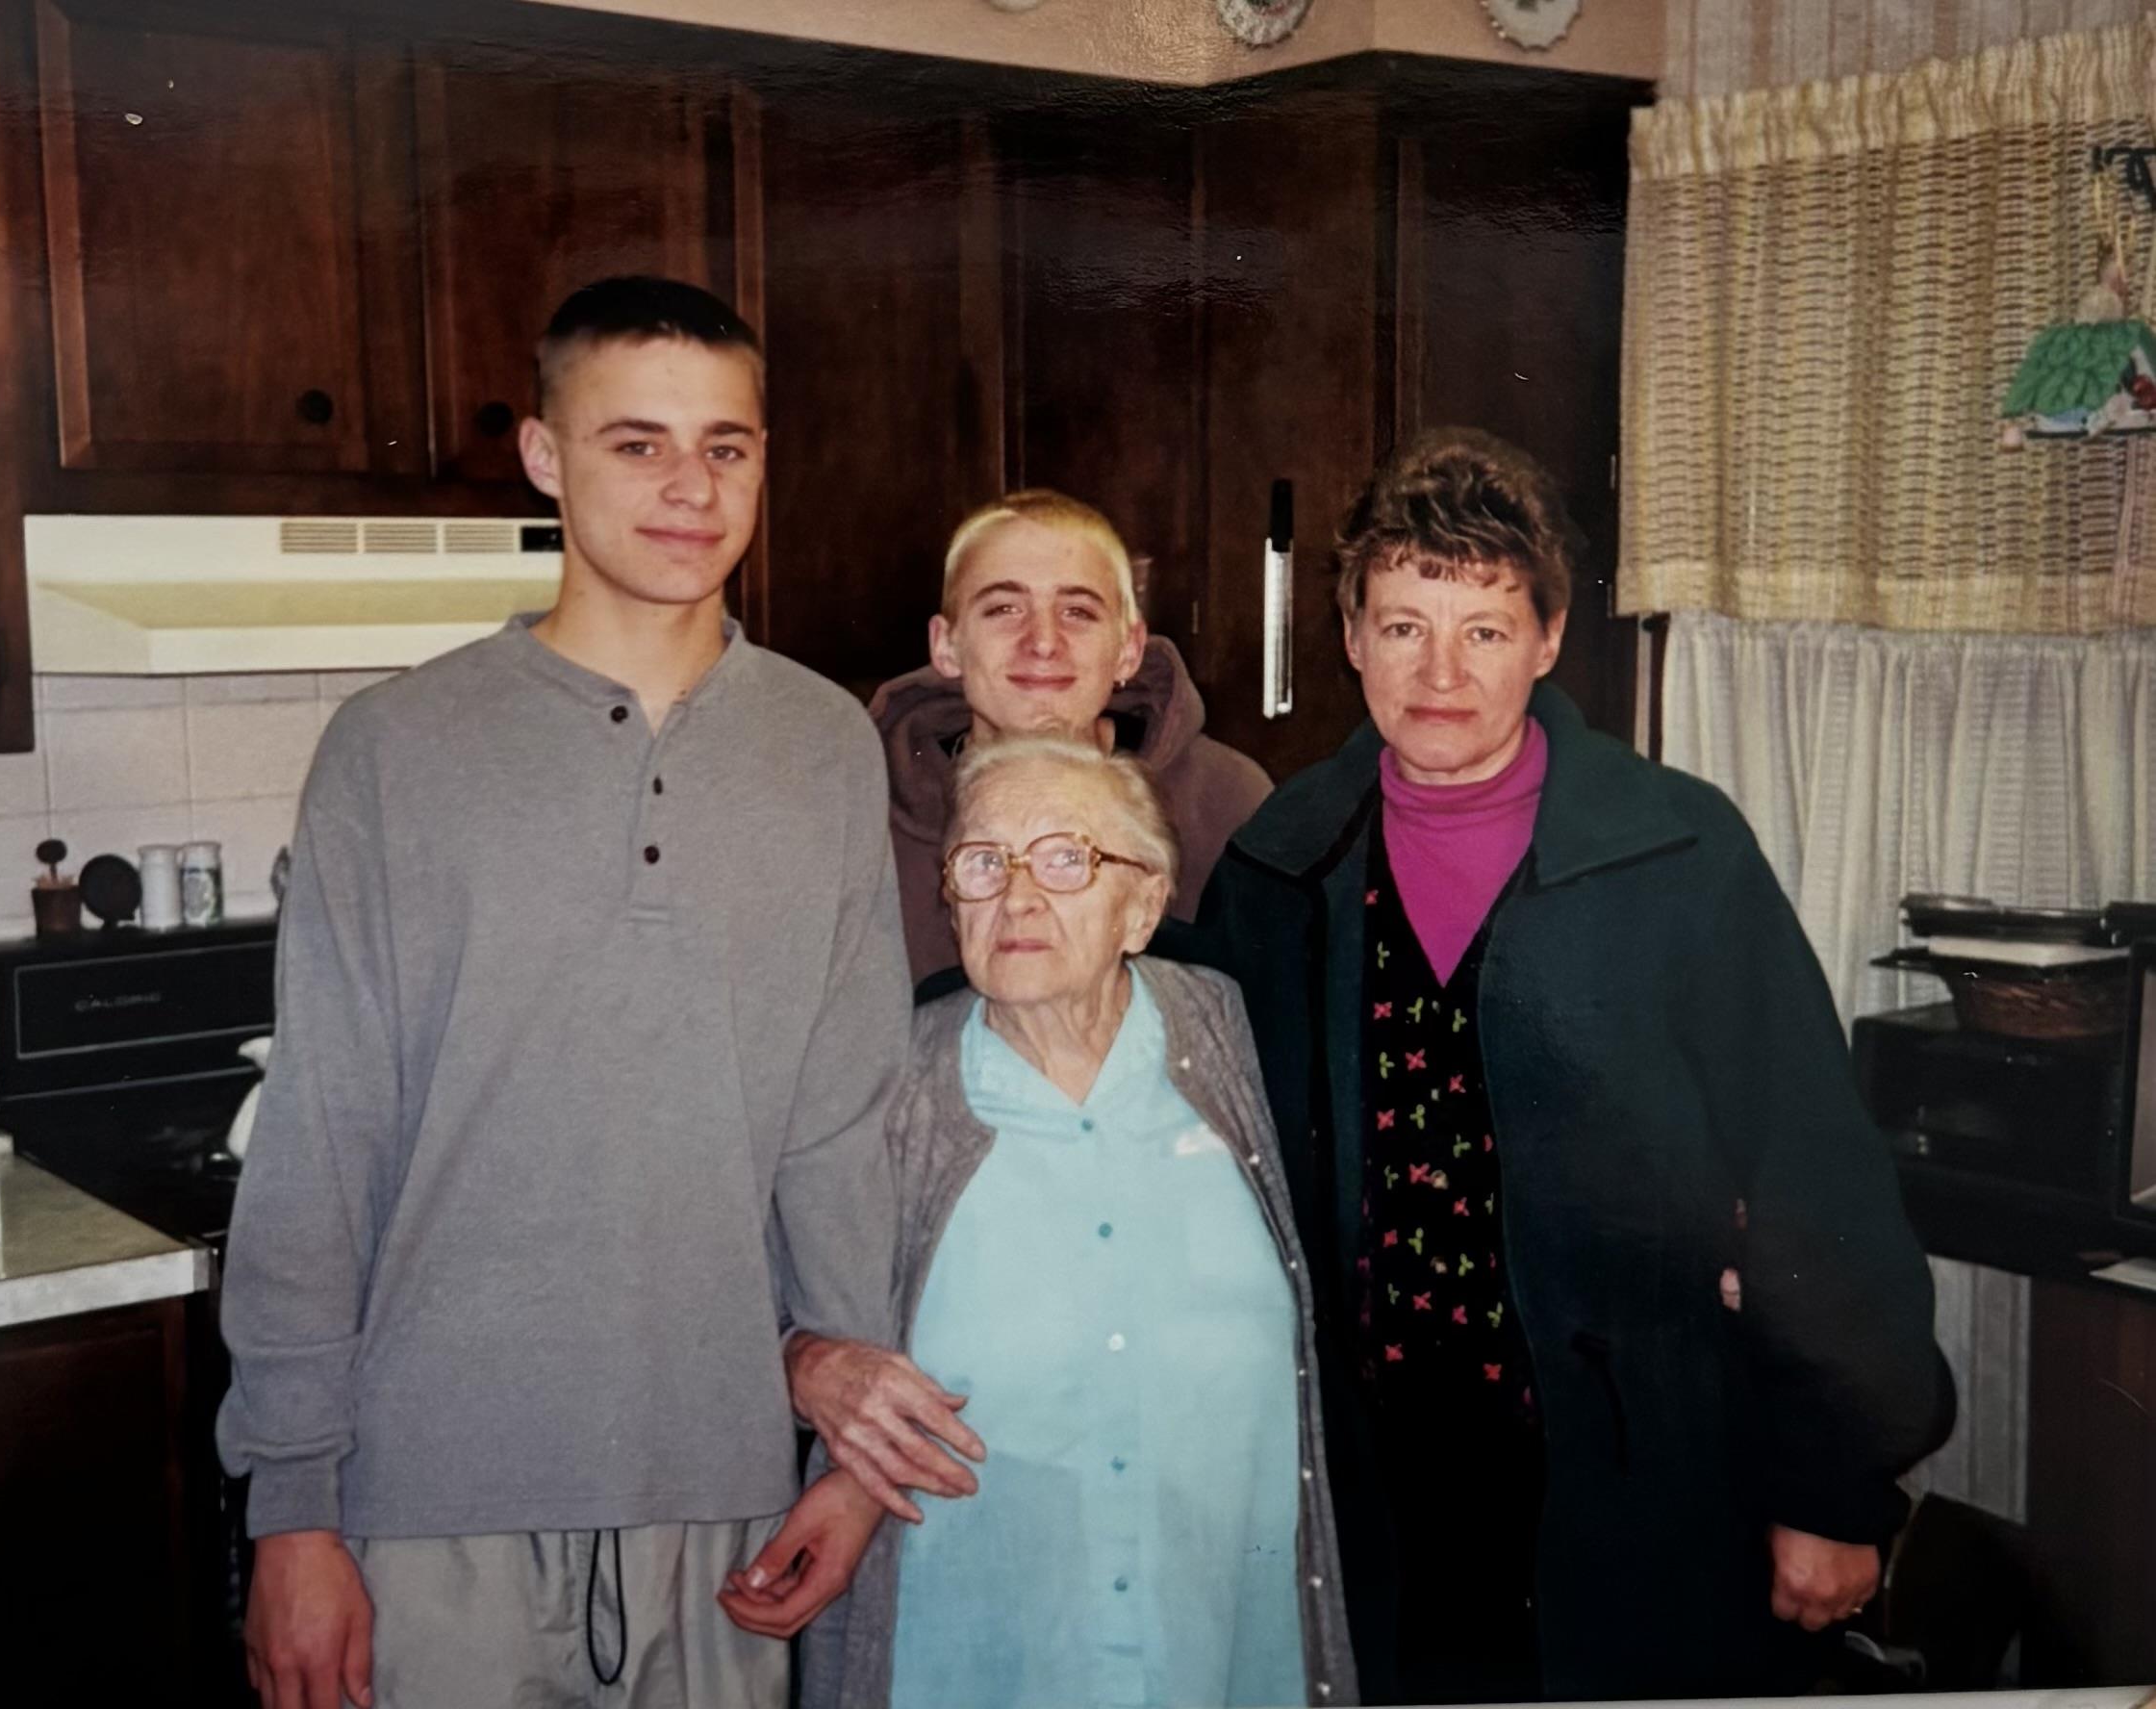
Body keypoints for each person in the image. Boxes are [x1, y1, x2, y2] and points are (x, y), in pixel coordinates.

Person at [217, 276, 967, 1709]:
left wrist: (848, 1468)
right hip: (428, 1501)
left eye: (728, 447)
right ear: (547, 458)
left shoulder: (822, 744)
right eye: (637, 443)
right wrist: (291, 1510)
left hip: (728, 1493)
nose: (690, 488)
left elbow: (838, 1131)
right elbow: (322, 1147)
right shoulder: (395, 750)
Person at [1194, 427, 1955, 1703]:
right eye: (1402, 627)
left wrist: (1835, 1482)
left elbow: (1815, 1174)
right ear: (1347, 635)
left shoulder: (1679, 854)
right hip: (1374, 1490)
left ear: (1548, 641)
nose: (1441, 671)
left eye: (1484, 630)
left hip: (1634, 1474)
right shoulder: (1281, 866)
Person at [719, 737, 1358, 1709]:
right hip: (971, 1644)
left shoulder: (1242, 1042)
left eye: (1068, 858)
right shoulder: (882, 1084)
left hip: (1219, 1639)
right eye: (984, 863)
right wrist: (806, 1368)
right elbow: (736, 1291)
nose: (1018, 898)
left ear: (1142, 906)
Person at [870, 490, 1269, 987]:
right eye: (1003, 609)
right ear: (946, 645)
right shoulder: (867, 814)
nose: (1042, 641)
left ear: (1129, 648)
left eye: (1078, 612)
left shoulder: (1225, 802)